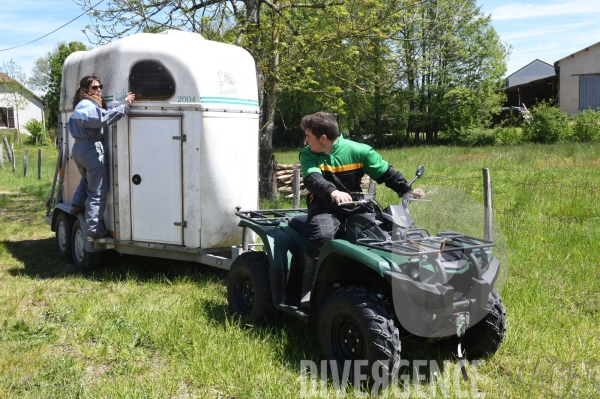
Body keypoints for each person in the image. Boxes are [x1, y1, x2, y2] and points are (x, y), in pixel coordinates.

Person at [298, 112, 425, 307]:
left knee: (387, 231)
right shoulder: (308, 154)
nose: (305, 140)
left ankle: (397, 281)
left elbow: (384, 172)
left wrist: (406, 191)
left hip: (356, 206)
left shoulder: (360, 151)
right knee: (323, 235)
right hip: (323, 206)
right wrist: (332, 191)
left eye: (308, 136)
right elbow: (313, 179)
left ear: (323, 138)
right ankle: (310, 286)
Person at [69, 75, 135, 239]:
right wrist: (124, 105)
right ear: (85, 90)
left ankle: (76, 204)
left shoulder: (80, 106)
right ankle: (93, 230)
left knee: (87, 178)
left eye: (100, 87)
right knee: (97, 191)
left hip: (78, 149)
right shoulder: (89, 107)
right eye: (94, 87)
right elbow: (104, 119)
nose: (99, 90)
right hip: (90, 149)